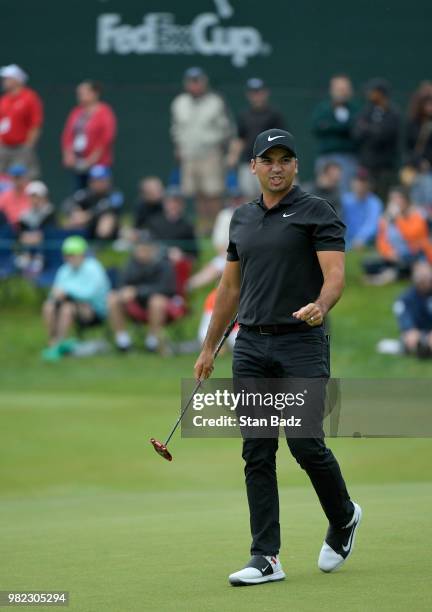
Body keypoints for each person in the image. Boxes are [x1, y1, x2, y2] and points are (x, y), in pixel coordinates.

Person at [194, 128, 361, 586]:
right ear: (253, 167)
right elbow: (229, 288)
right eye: (268, 160)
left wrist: (321, 306)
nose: (276, 167)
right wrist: (209, 347)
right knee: (258, 451)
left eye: (285, 159)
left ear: (295, 166)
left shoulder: (316, 212)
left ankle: (344, 516)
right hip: (250, 346)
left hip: (301, 342)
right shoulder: (241, 219)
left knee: (306, 443)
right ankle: (265, 556)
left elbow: (335, 276)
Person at [170, 67, 232, 233]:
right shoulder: (179, 102)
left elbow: (225, 128)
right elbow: (176, 128)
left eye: (197, 81)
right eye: (191, 81)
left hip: (210, 152)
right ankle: (204, 226)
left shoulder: (215, 101)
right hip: (188, 153)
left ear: (204, 82)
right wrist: (178, 147)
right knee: (196, 192)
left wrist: (220, 148)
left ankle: (218, 227)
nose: (194, 85)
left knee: (213, 191)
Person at [42, 236, 110, 361]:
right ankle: (53, 341)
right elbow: (55, 293)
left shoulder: (94, 268)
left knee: (67, 309)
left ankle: (59, 344)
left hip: (94, 311)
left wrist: (67, 292)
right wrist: (56, 295)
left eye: (73, 254)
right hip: (72, 305)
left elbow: (89, 294)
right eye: (67, 255)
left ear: (82, 254)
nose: (69, 258)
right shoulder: (64, 270)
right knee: (49, 306)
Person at [107, 236, 176, 354]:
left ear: (153, 250)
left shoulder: (164, 265)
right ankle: (122, 341)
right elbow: (122, 283)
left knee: (157, 301)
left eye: (145, 250)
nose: (141, 253)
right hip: (134, 304)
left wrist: (137, 291)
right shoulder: (131, 264)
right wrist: (123, 292)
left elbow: (166, 288)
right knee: (112, 298)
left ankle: (152, 342)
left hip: (159, 304)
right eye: (139, 250)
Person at [227, 78, 285, 199]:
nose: (257, 95)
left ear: (265, 93)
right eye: (254, 92)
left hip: (268, 162)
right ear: (249, 95)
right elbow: (239, 138)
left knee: (268, 196)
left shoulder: (274, 114)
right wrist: (233, 157)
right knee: (248, 197)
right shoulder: (243, 115)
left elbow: (282, 140)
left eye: (259, 92)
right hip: (248, 162)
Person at [363, 187, 432, 284]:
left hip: (415, 254)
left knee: (409, 262)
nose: (395, 202)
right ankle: (396, 273)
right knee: (368, 264)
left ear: (406, 200)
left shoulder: (418, 214)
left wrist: (397, 218)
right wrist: (388, 252)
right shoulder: (387, 219)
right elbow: (381, 241)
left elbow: (411, 236)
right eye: (392, 199)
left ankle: (392, 274)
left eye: (398, 198)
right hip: (395, 256)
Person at [61, 80, 117, 189]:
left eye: (84, 93)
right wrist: (68, 154)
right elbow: (67, 135)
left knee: (98, 191)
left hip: (98, 163)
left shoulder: (104, 112)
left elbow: (106, 138)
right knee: (80, 194)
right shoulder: (76, 112)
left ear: (95, 93)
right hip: (78, 162)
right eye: (78, 93)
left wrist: (91, 159)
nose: (80, 96)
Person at [353, 78, 400, 202]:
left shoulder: (393, 113)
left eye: (372, 91)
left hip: (385, 168)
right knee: (364, 199)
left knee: (382, 199)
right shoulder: (366, 111)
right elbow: (357, 133)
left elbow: (385, 135)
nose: (369, 94)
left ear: (381, 93)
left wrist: (368, 129)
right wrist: (374, 130)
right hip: (367, 166)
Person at [311, 75, 358, 193]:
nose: (342, 92)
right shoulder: (323, 108)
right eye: (339, 89)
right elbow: (317, 127)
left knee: (345, 192)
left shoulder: (355, 109)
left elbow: (356, 129)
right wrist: (344, 127)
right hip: (326, 157)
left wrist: (331, 126)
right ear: (332, 90)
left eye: (345, 89)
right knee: (322, 190)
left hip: (348, 158)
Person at [0, 64, 43, 179]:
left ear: (17, 80)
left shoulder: (29, 97)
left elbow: (35, 124)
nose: (4, 81)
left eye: (7, 78)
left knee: (22, 178)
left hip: (21, 147)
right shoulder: (4, 100)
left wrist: (28, 146)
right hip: (4, 147)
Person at [62, 164, 124, 240]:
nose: (97, 183)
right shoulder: (86, 193)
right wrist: (75, 211)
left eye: (101, 180)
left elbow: (107, 208)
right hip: (87, 224)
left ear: (108, 181)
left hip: (112, 230)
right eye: (94, 180)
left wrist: (87, 215)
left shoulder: (115, 194)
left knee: (107, 219)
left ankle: (103, 247)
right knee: (72, 220)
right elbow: (67, 203)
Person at [144, 187, 198, 261]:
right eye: (170, 202)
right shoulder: (154, 222)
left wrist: (182, 255)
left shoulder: (187, 226)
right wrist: (166, 252)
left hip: (176, 263)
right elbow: (147, 246)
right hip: (156, 261)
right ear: (164, 204)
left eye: (177, 202)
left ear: (183, 205)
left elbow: (194, 255)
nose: (173, 205)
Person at [15, 180, 56, 276]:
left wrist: (33, 238)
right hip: (27, 254)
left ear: (44, 197)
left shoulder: (50, 213)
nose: (34, 200)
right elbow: (20, 236)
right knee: (19, 263)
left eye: (37, 196)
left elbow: (45, 236)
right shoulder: (24, 215)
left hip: (46, 253)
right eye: (32, 197)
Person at [393, 261, 432, 358]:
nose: (425, 281)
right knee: (410, 338)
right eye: (422, 278)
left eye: (427, 278)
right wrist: (410, 330)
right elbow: (404, 318)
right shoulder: (405, 298)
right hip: (419, 332)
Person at [342, 169, 383, 249]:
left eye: (363, 182)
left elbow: (373, 224)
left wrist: (361, 238)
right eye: (358, 181)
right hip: (344, 241)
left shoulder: (375, 202)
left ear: (369, 185)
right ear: (352, 183)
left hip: (368, 243)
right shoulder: (344, 200)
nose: (360, 184)